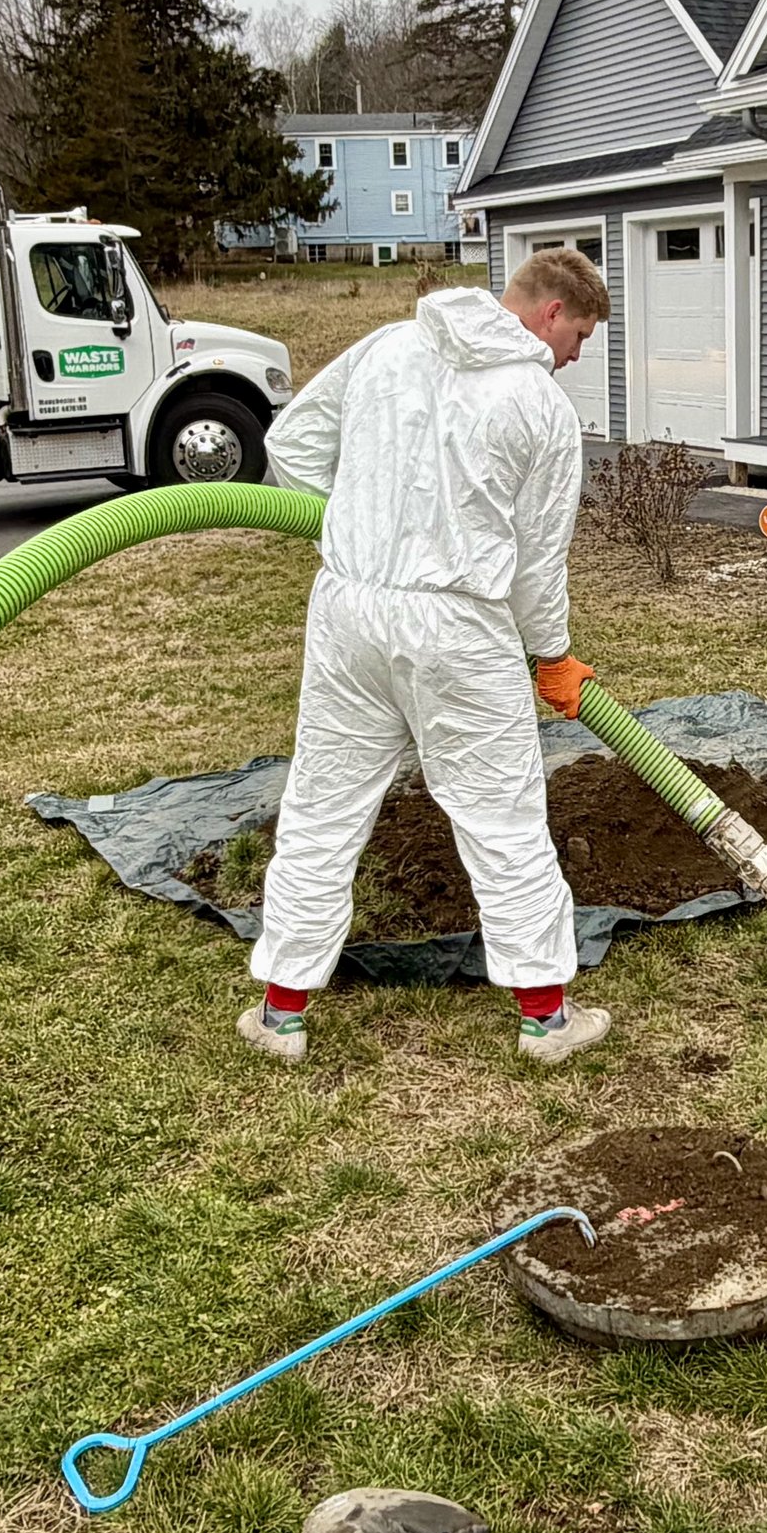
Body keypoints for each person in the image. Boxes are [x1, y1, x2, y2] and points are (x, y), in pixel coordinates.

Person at [240, 247, 613, 1067]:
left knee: (322, 804)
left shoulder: (387, 346)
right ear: (552, 312)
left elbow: (292, 441)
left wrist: (358, 522)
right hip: (460, 627)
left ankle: (281, 1012)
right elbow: (537, 561)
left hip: (349, 613)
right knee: (503, 817)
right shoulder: (538, 406)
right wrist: (551, 655)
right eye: (580, 335)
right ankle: (546, 1020)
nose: (578, 354)